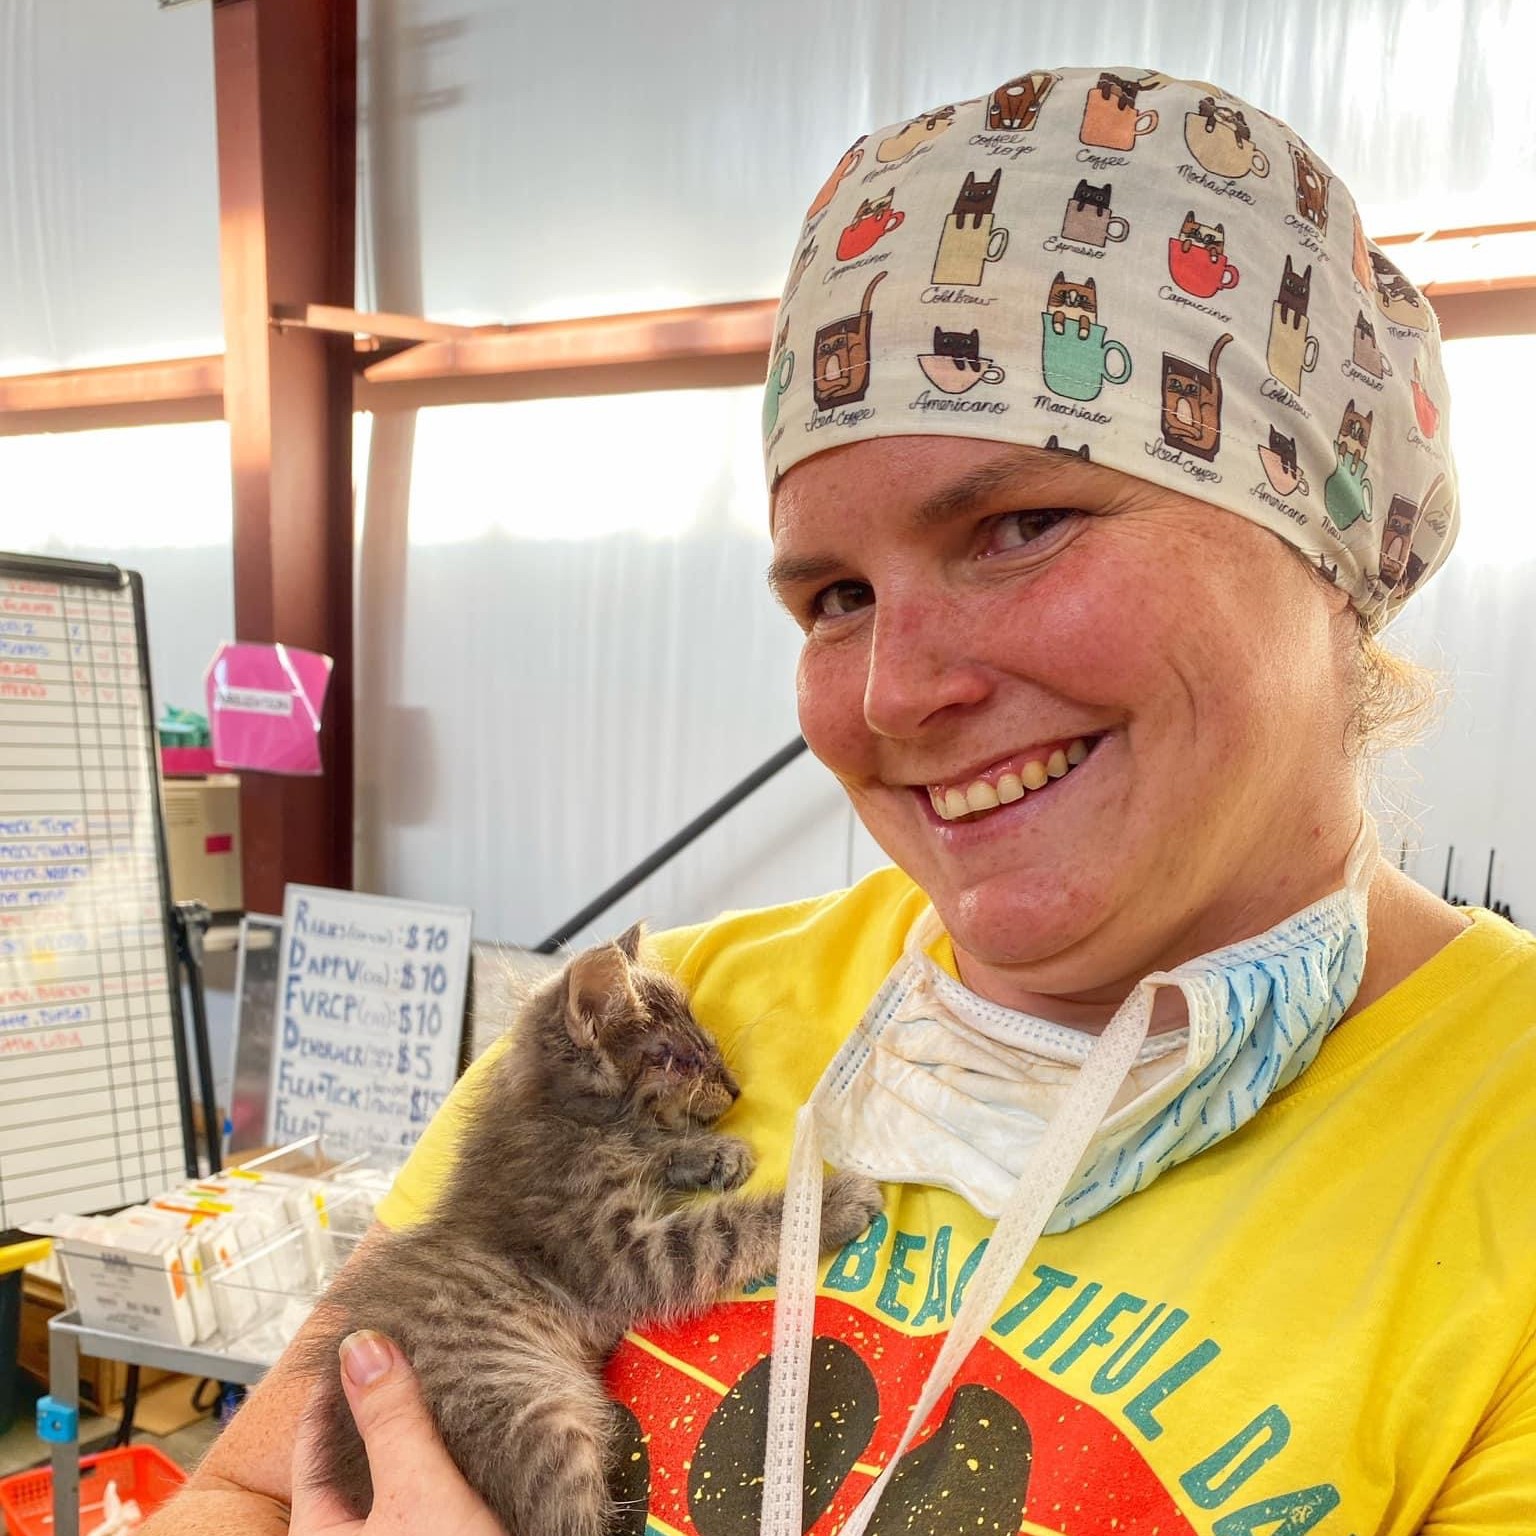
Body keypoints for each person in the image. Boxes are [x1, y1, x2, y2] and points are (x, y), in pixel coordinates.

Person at [145, 65, 1536, 1536]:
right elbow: (250, 1483)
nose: (890, 695)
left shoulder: (1493, 1152)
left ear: (1322, 537)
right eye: (837, 595)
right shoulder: (689, 1018)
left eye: (1021, 526)